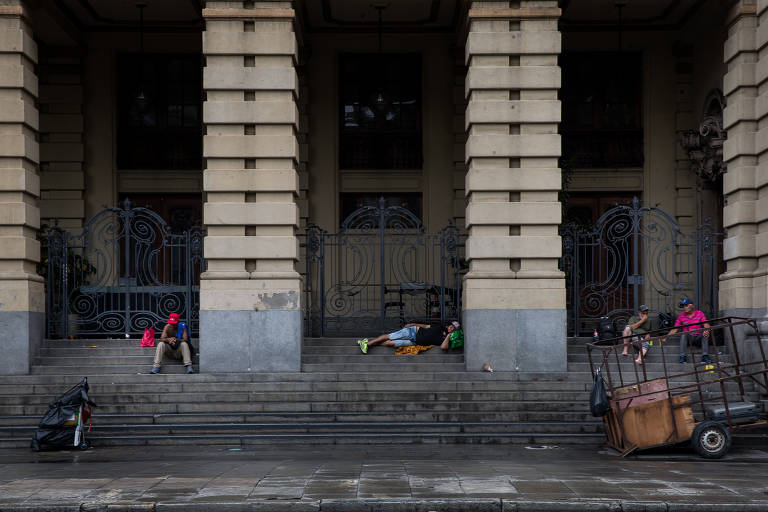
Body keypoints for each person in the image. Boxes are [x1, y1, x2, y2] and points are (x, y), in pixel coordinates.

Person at [357, 321, 459, 353]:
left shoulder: (446, 339)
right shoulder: (439, 327)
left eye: (453, 328)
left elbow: (444, 347)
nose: (451, 328)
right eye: (451, 326)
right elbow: (424, 326)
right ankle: (368, 344)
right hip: (413, 332)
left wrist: (449, 335)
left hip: (414, 342)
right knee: (390, 336)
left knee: (390, 343)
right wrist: (411, 324)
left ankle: (366, 343)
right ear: (448, 325)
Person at [662, 298, 712, 364]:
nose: (684, 308)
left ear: (692, 306)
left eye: (686, 305)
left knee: (705, 333)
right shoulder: (681, 316)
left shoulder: (700, 313)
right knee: (684, 333)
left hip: (698, 338)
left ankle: (705, 356)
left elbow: (706, 324)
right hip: (689, 338)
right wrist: (666, 337)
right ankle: (683, 357)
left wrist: (707, 330)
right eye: (683, 306)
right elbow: (675, 329)